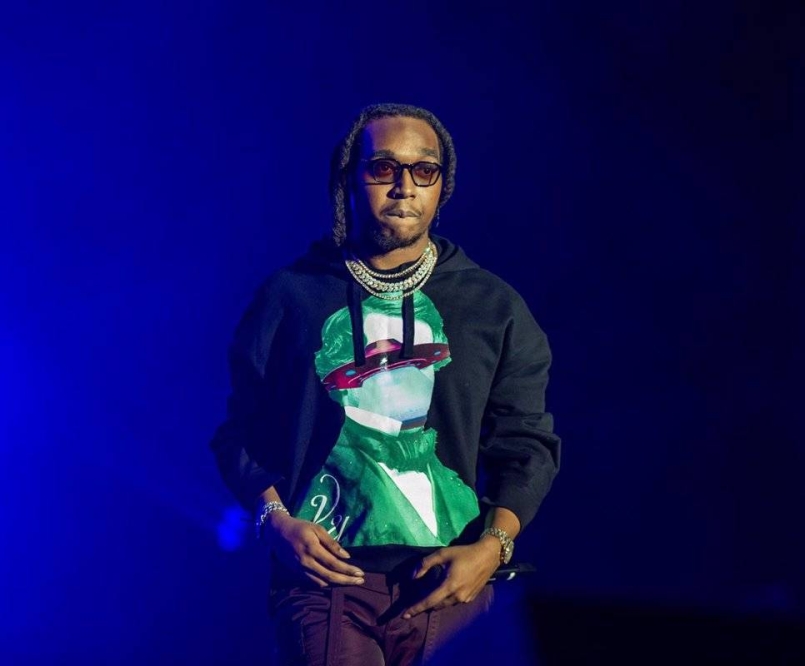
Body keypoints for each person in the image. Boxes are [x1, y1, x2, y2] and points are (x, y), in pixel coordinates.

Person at [210, 102, 560, 666]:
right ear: (348, 178)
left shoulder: (492, 307)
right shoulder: (292, 297)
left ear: (442, 186)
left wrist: (491, 550)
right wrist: (276, 522)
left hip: (452, 585)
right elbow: (239, 432)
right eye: (383, 168)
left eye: (424, 170)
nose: (404, 186)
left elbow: (528, 446)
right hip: (326, 588)